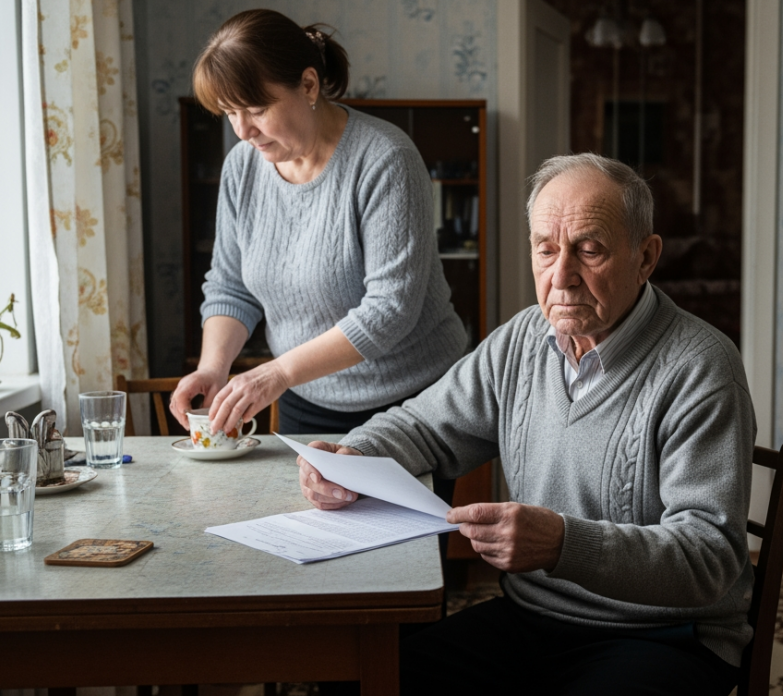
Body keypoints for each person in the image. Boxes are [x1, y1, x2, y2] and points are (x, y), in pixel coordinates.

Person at [297, 153, 755, 696]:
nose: (561, 276)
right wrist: (354, 453)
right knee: (360, 682)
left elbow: (708, 558)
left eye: (590, 249)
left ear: (646, 256)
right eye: (545, 249)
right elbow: (426, 425)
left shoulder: (702, 366)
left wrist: (564, 543)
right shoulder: (522, 340)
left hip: (663, 634)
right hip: (532, 620)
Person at [171, 9, 468, 438]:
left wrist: (278, 373)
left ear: (308, 85)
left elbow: (390, 310)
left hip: (411, 401)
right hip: (304, 397)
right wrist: (212, 368)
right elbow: (230, 286)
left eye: (255, 109)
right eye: (229, 113)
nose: (243, 131)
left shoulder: (385, 159)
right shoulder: (242, 167)